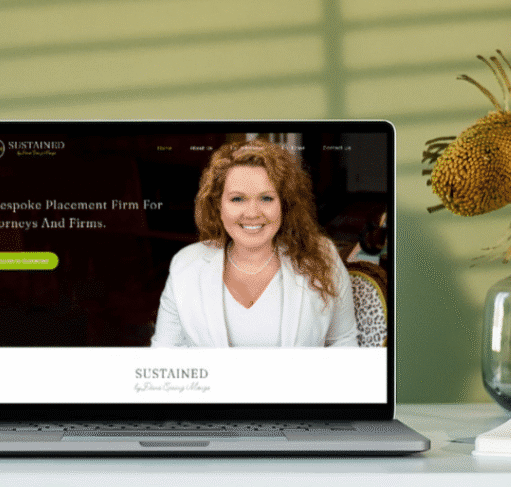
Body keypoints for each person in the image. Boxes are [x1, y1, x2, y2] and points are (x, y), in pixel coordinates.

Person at [151, 139, 357, 347]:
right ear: (217, 205)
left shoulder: (321, 255)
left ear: (284, 204)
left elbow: (343, 341)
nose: (252, 213)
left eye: (266, 198)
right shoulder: (185, 265)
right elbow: (164, 355)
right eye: (237, 199)